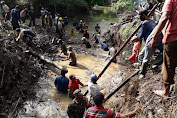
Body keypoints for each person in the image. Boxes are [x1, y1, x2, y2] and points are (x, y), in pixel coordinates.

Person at [149, 0, 177, 99]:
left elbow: (164, 18)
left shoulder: (170, 1)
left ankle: (166, 92)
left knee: (168, 64)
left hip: (173, 37)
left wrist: (154, 37)